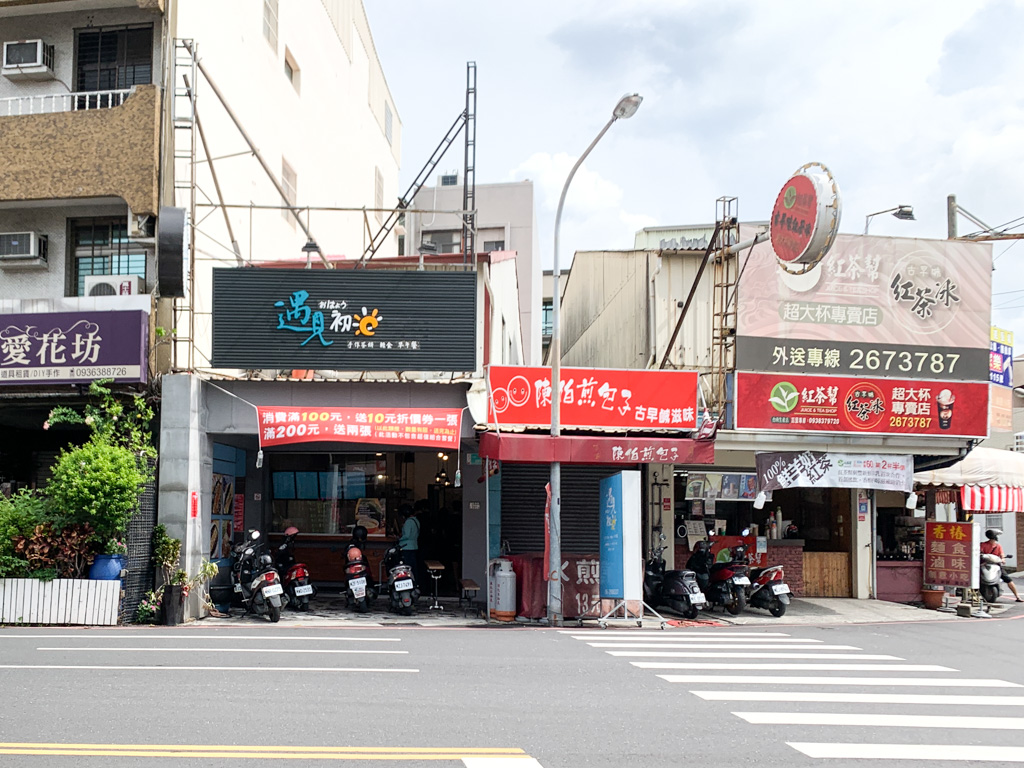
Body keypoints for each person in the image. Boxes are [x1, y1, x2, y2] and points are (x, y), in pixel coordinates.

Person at [981, 529, 1022, 602]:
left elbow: (1002, 554)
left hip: (996, 565)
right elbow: (979, 553)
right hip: (984, 565)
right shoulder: (983, 545)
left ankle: (1017, 596)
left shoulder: (998, 546)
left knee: (1008, 579)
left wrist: (1003, 559)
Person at [399, 504, 421, 585]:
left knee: (407, 567)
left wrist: (399, 539)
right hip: (414, 545)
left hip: (406, 547)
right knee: (413, 566)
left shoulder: (408, 522)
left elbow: (407, 535)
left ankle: (408, 583)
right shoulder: (416, 520)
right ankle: (415, 582)